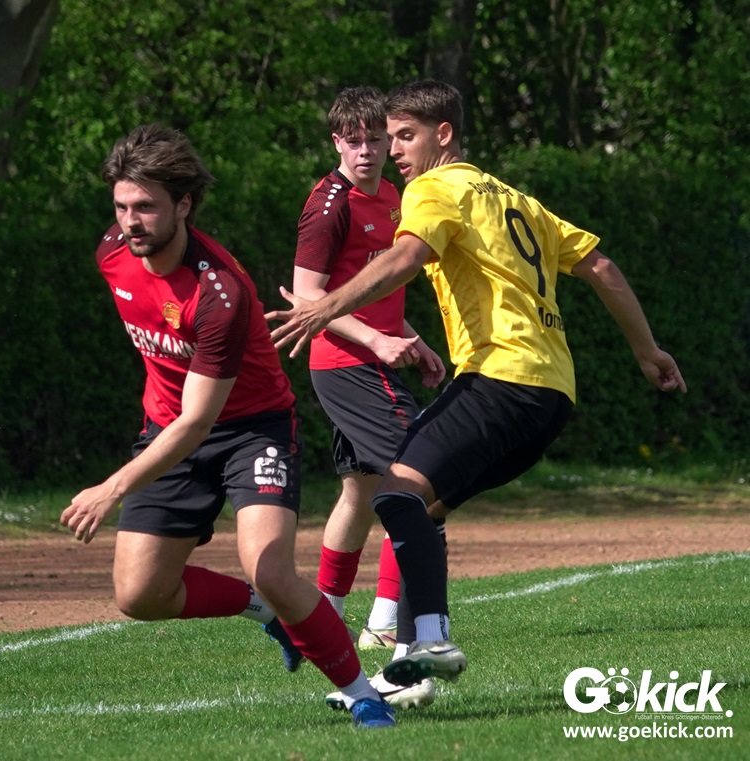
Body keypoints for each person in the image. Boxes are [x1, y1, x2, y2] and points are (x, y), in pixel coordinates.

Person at [268, 80, 686, 693]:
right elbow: (600, 266)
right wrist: (647, 351)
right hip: (552, 395)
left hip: (499, 378)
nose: (393, 148)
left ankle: (430, 639)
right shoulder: (519, 200)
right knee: (423, 507)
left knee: (396, 492)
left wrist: (324, 308)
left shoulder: (433, 187)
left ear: (444, 134)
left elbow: (405, 259)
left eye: (405, 135)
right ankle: (409, 667)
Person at [60, 124, 396, 728]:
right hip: (167, 428)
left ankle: (362, 695)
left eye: (146, 207)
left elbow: (199, 421)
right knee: (139, 595)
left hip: (251, 431)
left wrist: (112, 488)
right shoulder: (112, 252)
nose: (131, 221)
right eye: (121, 206)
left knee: (271, 569)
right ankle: (267, 615)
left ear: (184, 205)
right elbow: (180, 417)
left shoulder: (220, 294)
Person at [292, 86, 445, 711]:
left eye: (375, 139)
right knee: (421, 482)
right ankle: (396, 631)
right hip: (348, 365)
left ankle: (322, 617)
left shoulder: (395, 196)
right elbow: (308, 298)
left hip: (374, 359)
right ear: (336, 143)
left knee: (359, 492)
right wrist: (379, 342)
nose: (365, 151)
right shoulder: (328, 204)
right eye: (352, 141)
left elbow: (377, 290)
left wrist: (413, 339)